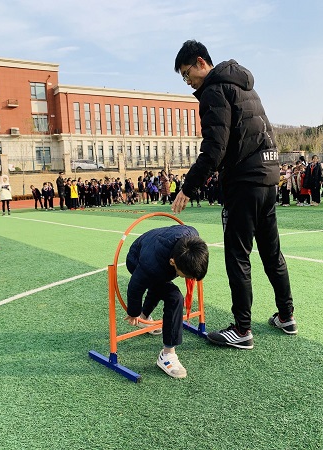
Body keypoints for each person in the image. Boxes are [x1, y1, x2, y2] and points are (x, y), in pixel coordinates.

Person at [171, 40, 297, 350]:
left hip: (244, 181)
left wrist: (188, 187)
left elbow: (215, 148)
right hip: (268, 176)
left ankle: (242, 329)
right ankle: (287, 315)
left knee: (237, 256)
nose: (188, 83)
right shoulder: (244, 86)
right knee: (271, 251)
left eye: (187, 74)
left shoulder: (215, 90)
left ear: (201, 62)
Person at [124, 225, 209, 378]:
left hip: (156, 248)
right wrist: (133, 312)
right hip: (136, 259)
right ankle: (167, 354)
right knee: (174, 297)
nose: (189, 280)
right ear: (172, 262)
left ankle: (145, 317)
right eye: (186, 276)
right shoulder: (151, 265)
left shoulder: (193, 238)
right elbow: (135, 286)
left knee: (159, 283)